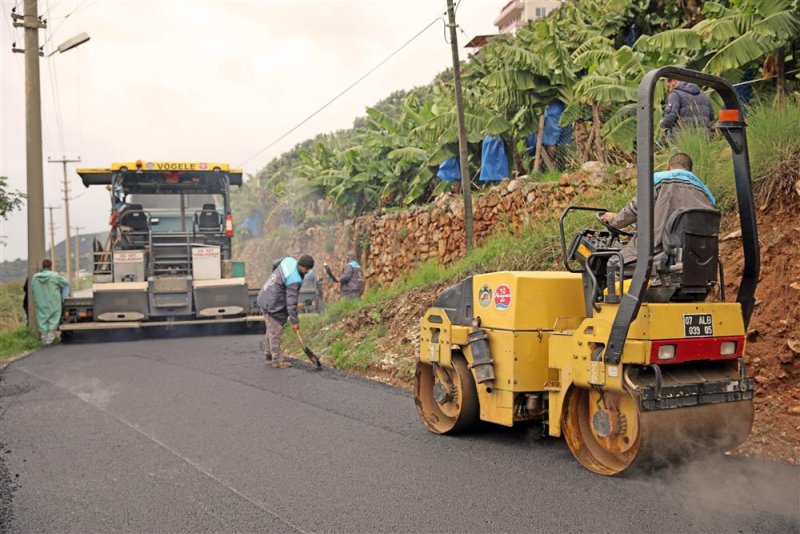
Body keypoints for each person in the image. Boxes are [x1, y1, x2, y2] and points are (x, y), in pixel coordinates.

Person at [601, 152, 716, 268]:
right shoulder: (706, 193)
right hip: (698, 253)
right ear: (690, 170)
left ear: (669, 166)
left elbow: (637, 208)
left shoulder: (659, 179)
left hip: (660, 247)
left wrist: (614, 220)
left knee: (614, 263)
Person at [257, 254, 315, 368]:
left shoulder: (289, 260)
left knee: (271, 328)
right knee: (275, 330)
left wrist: (277, 282)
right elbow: (291, 304)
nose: (307, 272)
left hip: (264, 295)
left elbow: (274, 263)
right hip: (272, 303)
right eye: (307, 269)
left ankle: (269, 352)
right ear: (302, 266)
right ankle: (277, 360)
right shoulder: (294, 280)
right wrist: (295, 322)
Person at [30, 259, 70, 345]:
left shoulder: (35, 277)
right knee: (54, 318)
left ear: (42, 266)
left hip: (41, 301)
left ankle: (44, 338)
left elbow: (33, 290)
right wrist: (63, 296)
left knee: (42, 317)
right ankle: (51, 337)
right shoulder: (54, 275)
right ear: (50, 266)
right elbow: (66, 283)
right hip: (54, 301)